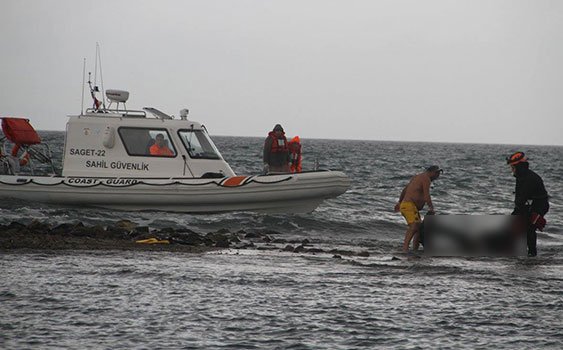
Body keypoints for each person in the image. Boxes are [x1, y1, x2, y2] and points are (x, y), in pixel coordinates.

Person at [506, 151, 549, 257]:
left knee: (530, 228)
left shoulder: (530, 178)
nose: (511, 169)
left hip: (539, 206)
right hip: (527, 205)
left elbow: (522, 198)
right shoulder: (521, 176)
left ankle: (532, 254)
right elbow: (520, 199)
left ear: (518, 166)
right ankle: (509, 251)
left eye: (512, 166)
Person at [394, 165, 442, 252]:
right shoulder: (426, 179)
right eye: (437, 174)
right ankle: (405, 249)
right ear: (432, 172)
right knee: (414, 226)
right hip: (409, 205)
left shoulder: (417, 177)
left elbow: (405, 190)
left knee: (418, 229)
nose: (437, 176)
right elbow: (427, 195)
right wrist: (431, 208)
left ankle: (415, 250)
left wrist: (400, 202)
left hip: (408, 205)